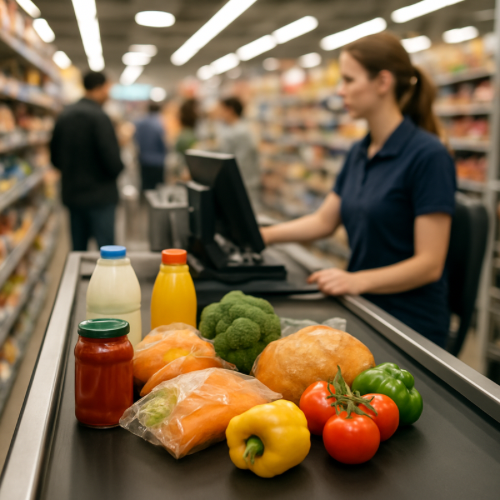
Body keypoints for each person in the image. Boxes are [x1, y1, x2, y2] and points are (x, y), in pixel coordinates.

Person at [261, 32, 456, 348]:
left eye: (349, 80)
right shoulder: (359, 151)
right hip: (365, 306)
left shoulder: (429, 156)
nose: (341, 91)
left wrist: (355, 279)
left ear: (382, 82)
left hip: (410, 324)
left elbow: (429, 264)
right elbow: (324, 221)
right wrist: (263, 235)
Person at [50, 71, 124, 251]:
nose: (109, 93)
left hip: (73, 195)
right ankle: (105, 281)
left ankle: (79, 279)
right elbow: (112, 161)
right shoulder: (100, 117)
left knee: (78, 251)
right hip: (101, 196)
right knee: (107, 252)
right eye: (108, 88)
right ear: (99, 88)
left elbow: (54, 157)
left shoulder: (64, 115)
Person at [216, 97, 260, 207]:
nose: (219, 113)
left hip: (244, 183)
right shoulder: (229, 129)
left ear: (230, 110)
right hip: (234, 182)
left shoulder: (242, 131)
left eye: (221, 109)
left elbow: (242, 161)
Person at [135, 102, 167, 190]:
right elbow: (163, 142)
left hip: (144, 159)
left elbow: (136, 139)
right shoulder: (159, 123)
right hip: (158, 161)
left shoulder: (140, 123)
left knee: (145, 186)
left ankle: (143, 203)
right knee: (157, 188)